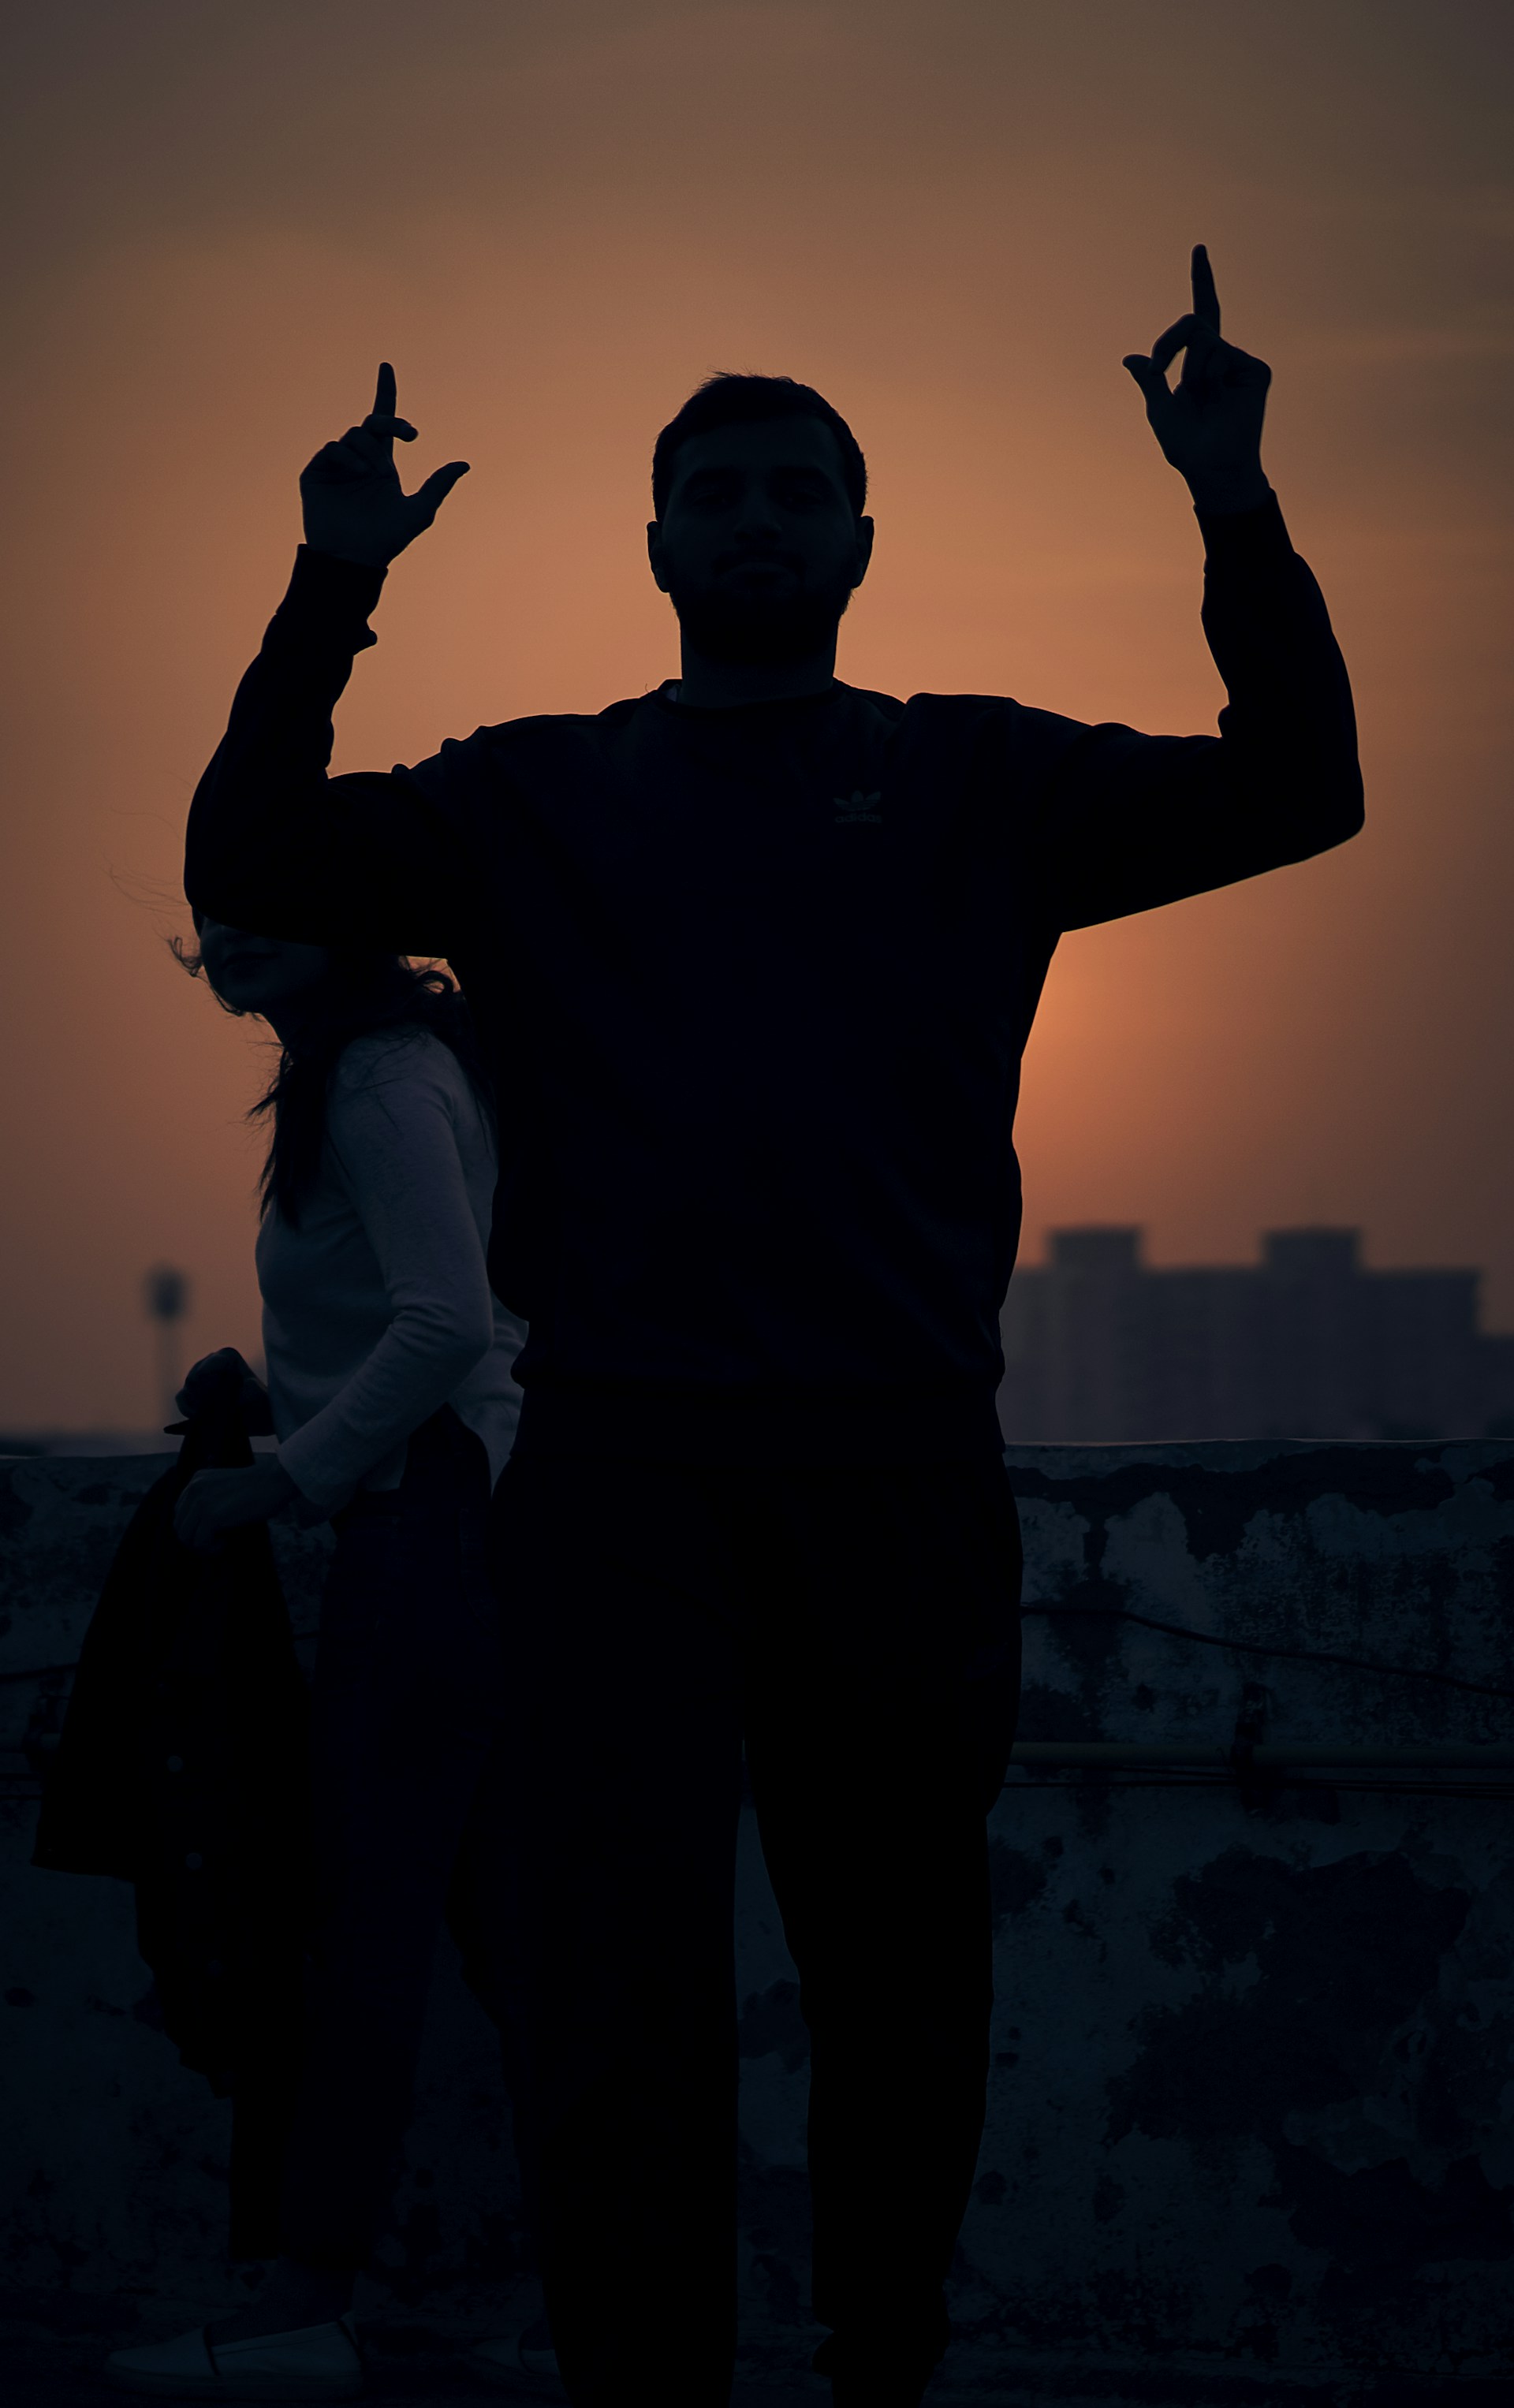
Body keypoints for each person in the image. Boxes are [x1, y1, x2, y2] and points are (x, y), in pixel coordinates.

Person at [182, 247, 1363, 2408]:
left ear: (855, 542)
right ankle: (651, 2387)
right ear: (655, 546)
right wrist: (327, 575)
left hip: (898, 1460)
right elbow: (249, 841)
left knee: (899, 1970)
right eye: (713, 488)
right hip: (621, 1472)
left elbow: (1300, 785)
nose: (751, 517)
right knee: (616, 1984)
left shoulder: (982, 780)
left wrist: (1234, 496)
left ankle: (878, 2366)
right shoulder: (528, 795)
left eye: (790, 490)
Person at [105, 926, 539, 2399]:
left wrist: (282, 1484)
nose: (222, 932)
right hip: (443, 1524)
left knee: (366, 1927)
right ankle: (607, 2292)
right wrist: (279, 1412)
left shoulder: (381, 1081)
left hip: (426, 1536)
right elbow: (418, 1329)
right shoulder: (365, 1071)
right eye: (210, 896)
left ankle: (305, 2306)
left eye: (260, 896)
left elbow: (450, 1323)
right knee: (509, 1942)